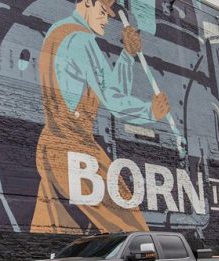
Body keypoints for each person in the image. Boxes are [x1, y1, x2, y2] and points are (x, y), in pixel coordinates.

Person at [30, 0, 170, 234]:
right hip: (76, 152)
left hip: (50, 149)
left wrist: (127, 55)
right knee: (134, 229)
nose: (106, 20)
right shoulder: (81, 40)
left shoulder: (57, 32)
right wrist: (150, 111)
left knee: (51, 231)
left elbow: (106, 91)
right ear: (86, 3)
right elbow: (113, 100)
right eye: (102, 12)